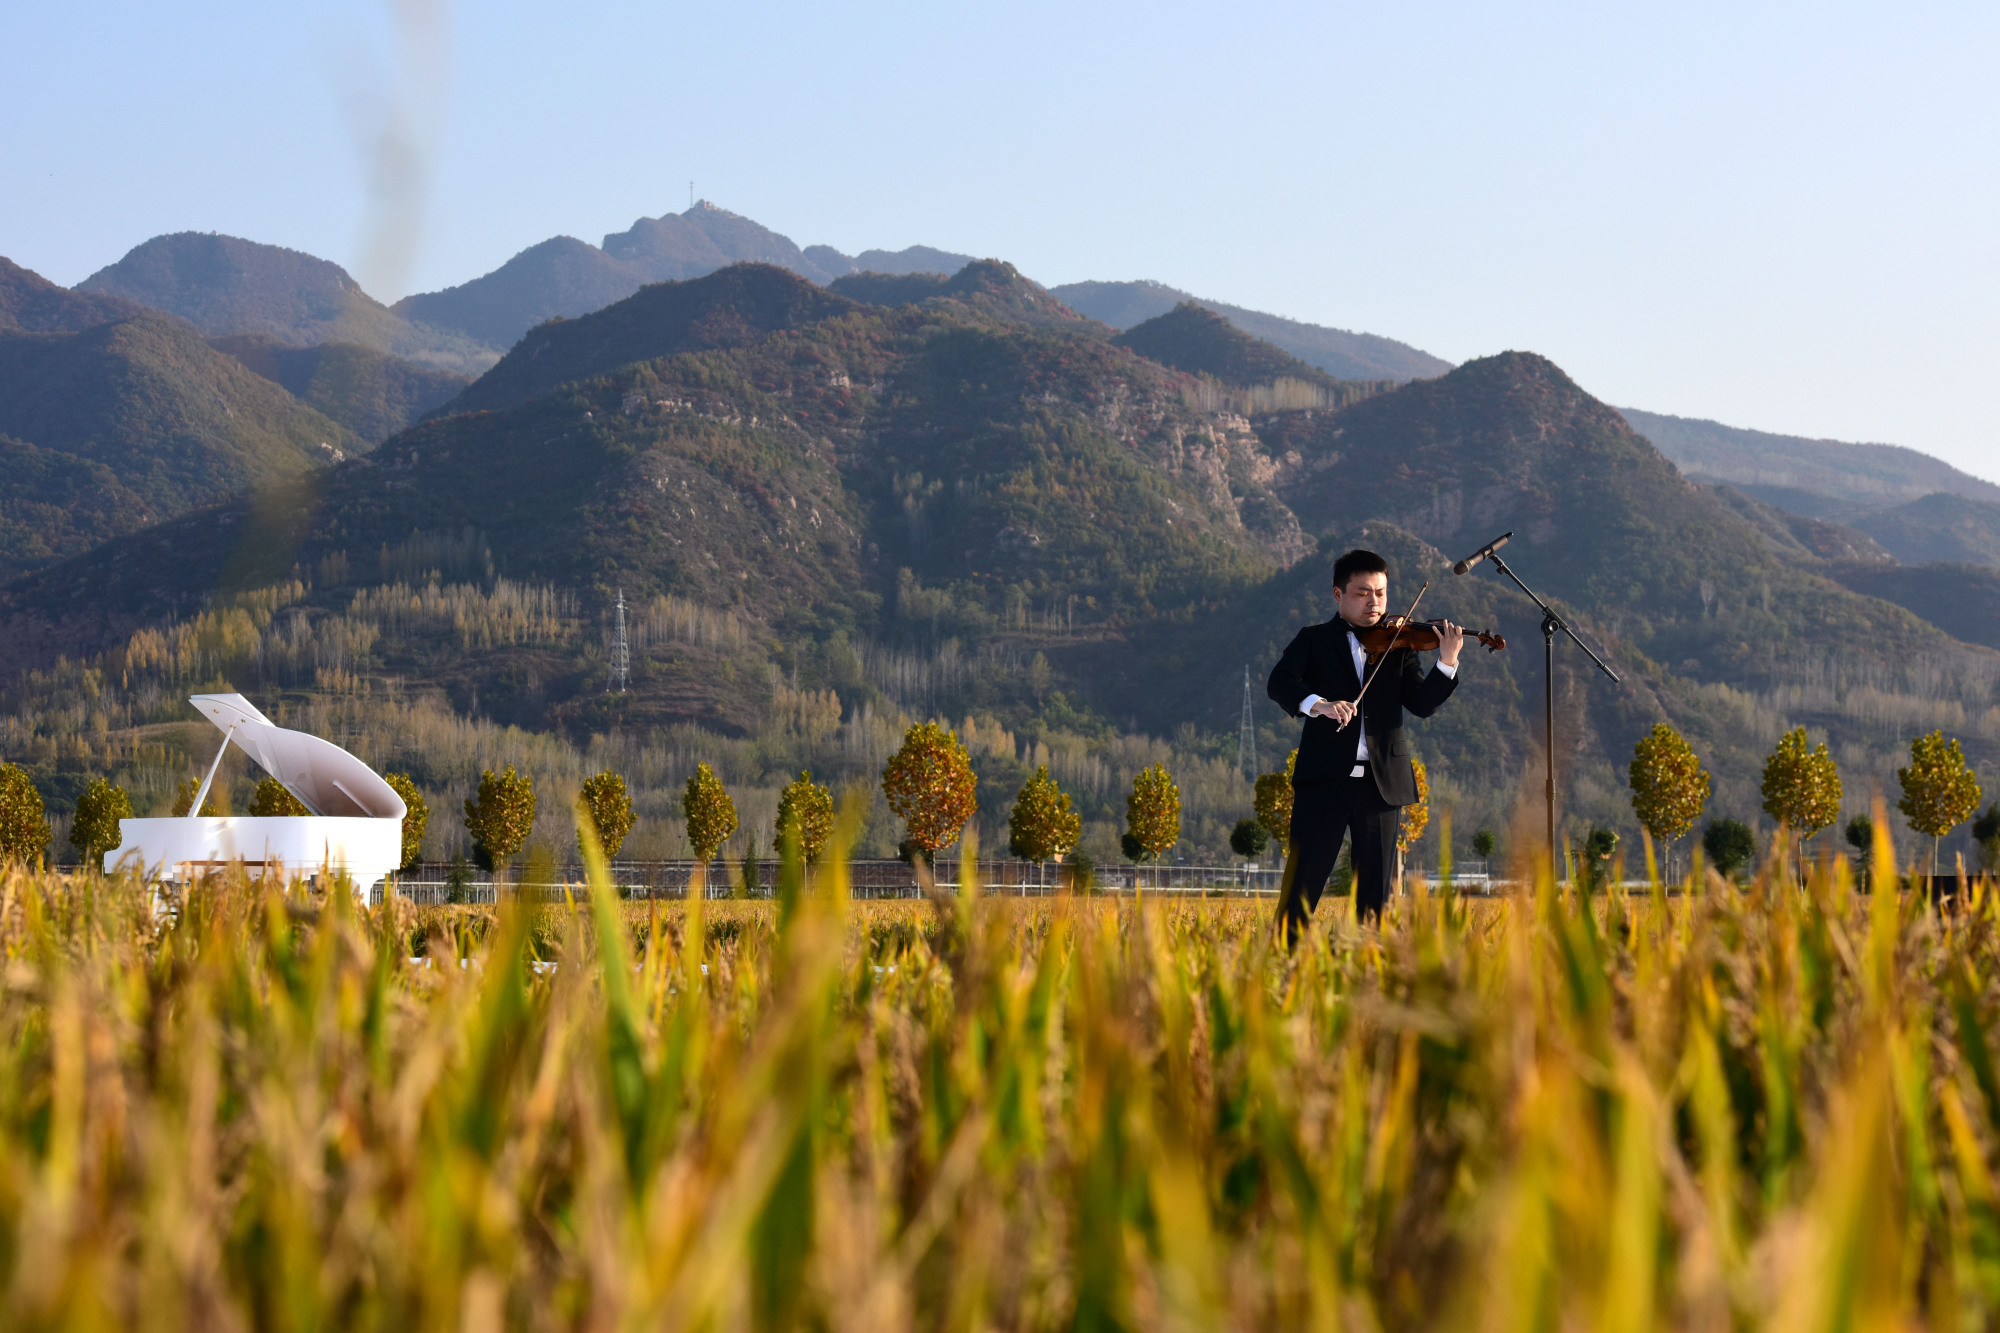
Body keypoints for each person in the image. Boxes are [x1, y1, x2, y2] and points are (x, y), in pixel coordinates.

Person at [1266, 548, 1463, 937]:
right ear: (1338, 595)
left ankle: (1370, 971)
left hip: (1381, 785)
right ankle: (1284, 962)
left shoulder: (1399, 645)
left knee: (1377, 893)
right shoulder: (1314, 639)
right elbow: (1279, 682)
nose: (1374, 602)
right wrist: (1318, 704)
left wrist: (1447, 662)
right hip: (1324, 782)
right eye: (1362, 593)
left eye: (1381, 592)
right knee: (1303, 882)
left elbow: (1421, 705)